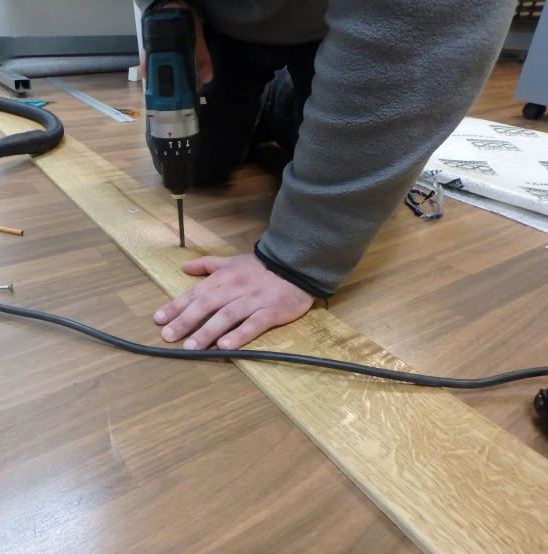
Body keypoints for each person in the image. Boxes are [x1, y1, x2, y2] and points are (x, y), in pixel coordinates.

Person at [137, 0, 515, 351]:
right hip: (217, 19)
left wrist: (297, 258)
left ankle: (300, 99)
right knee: (197, 163)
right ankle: (270, 104)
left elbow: (428, 28)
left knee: (334, 142)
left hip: (337, 31)